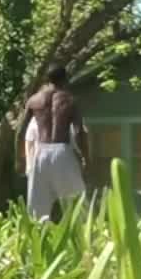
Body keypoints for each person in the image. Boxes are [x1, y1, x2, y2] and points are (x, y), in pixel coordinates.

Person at [19, 65, 91, 222]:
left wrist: (21, 158)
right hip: (62, 152)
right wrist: (86, 158)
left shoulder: (34, 100)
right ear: (65, 79)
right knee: (78, 204)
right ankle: (83, 241)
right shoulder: (70, 100)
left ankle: (37, 242)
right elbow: (79, 132)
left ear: (47, 79)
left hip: (40, 153)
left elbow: (21, 131)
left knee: (37, 209)